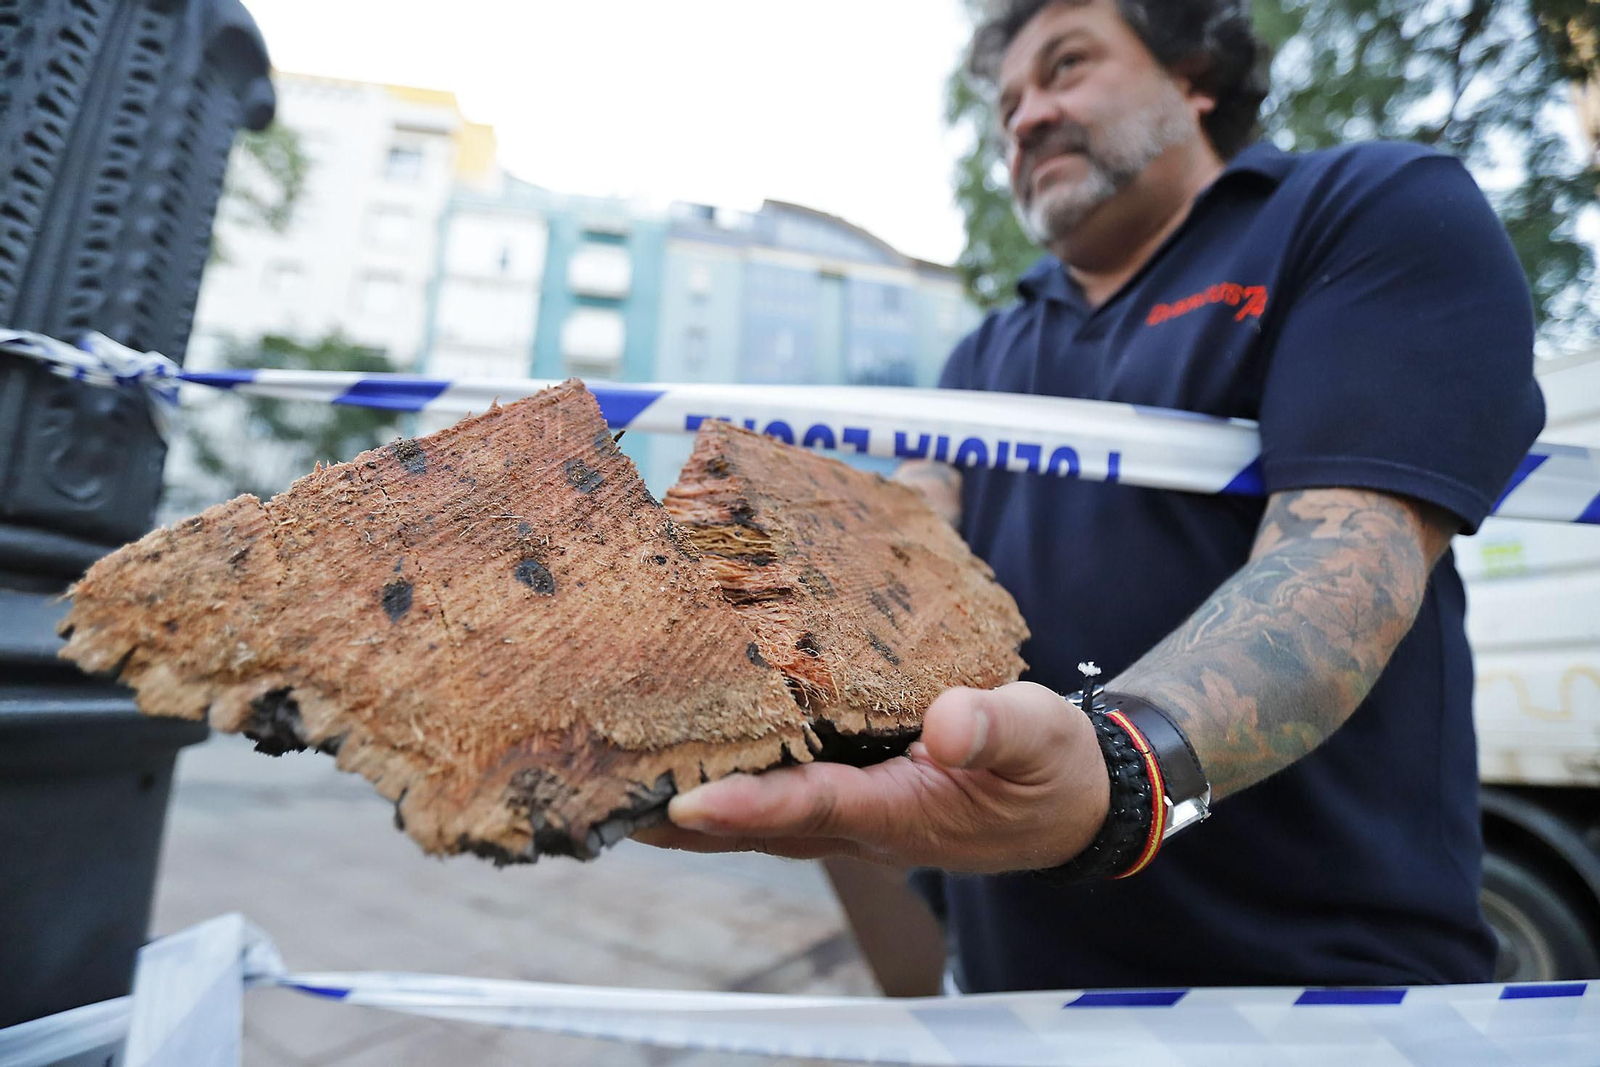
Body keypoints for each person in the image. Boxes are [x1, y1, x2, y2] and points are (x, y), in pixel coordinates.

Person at [639, 0, 1546, 992]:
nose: (1024, 118)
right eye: (1007, 104)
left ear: (1193, 75)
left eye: (1066, 68)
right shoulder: (983, 354)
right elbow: (896, 548)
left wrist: (1126, 777)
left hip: (1325, 998)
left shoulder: (1359, 212)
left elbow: (1345, 561)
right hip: (1010, 996)